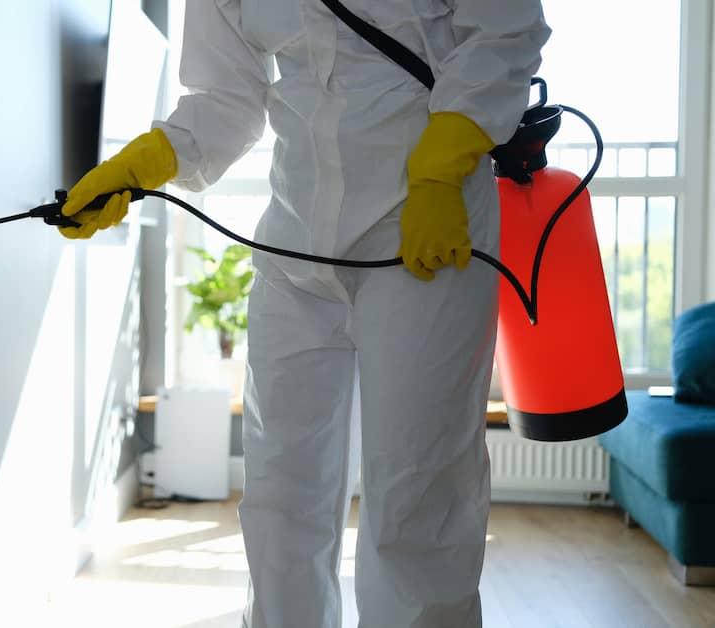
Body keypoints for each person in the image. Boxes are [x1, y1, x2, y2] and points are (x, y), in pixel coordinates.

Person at [60, 1, 550, 626]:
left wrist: (440, 167)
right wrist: (142, 164)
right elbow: (227, 96)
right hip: (294, 242)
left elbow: (507, 30)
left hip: (427, 229)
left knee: (418, 494)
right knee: (281, 495)